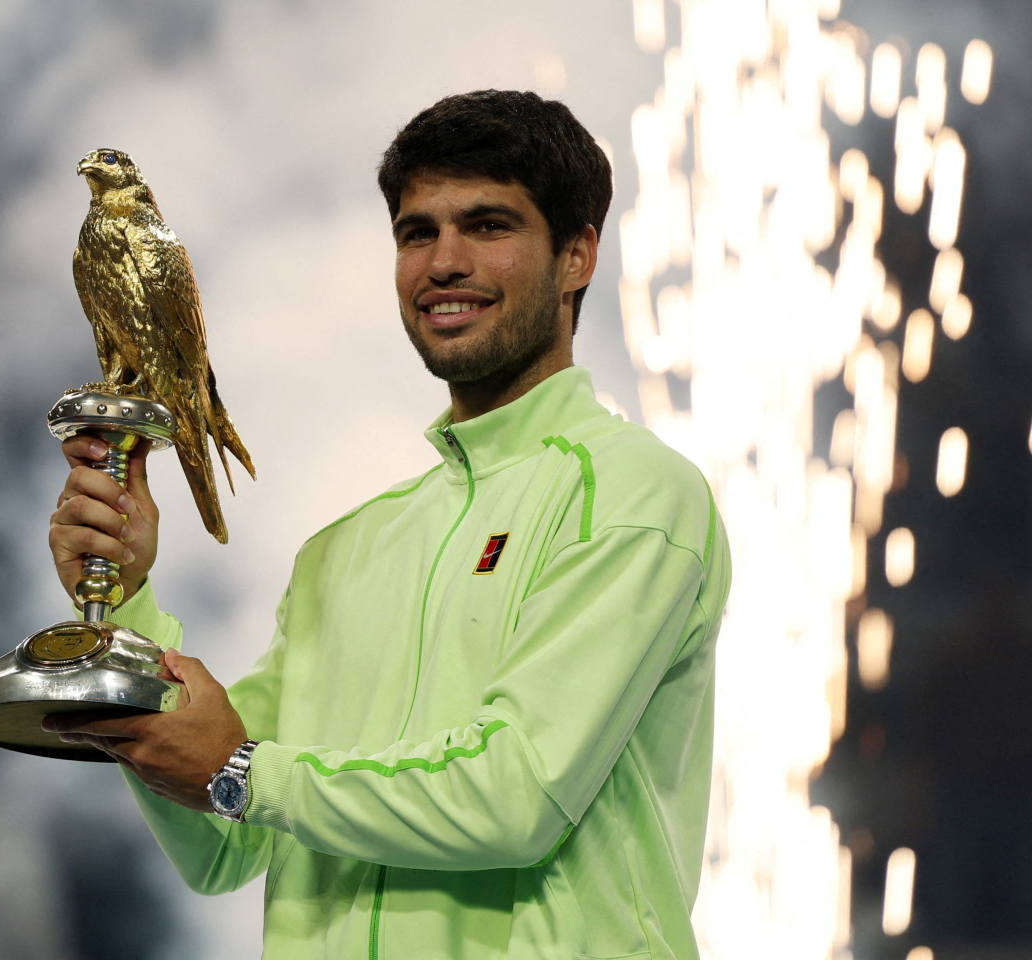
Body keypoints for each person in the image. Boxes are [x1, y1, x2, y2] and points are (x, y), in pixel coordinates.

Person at [43, 89, 730, 960]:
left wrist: (247, 772)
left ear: (576, 257)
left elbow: (514, 797)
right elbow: (224, 838)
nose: (444, 262)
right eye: (417, 232)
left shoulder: (634, 493)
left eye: (488, 226)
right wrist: (129, 604)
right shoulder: (345, 552)